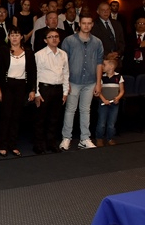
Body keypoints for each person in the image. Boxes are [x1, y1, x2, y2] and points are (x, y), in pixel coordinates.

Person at [60, 13, 104, 150]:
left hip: (90, 81)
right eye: (84, 23)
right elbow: (63, 63)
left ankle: (84, 138)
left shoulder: (97, 42)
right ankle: (66, 138)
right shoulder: (69, 41)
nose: (86, 26)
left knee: (86, 110)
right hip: (73, 81)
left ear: (92, 24)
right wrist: (66, 82)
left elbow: (99, 63)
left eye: (89, 23)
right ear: (79, 24)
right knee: (70, 110)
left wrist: (98, 83)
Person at [0, 26, 36, 157]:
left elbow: (33, 72)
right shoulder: (3, 51)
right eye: (12, 35)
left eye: (17, 35)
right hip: (6, 85)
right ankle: (2, 145)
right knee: (5, 116)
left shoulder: (28, 52)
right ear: (8, 37)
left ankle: (13, 144)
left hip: (21, 86)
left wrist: (32, 90)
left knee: (16, 116)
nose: (15, 37)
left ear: (21, 37)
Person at [33, 29, 69, 154]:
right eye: (50, 37)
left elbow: (66, 73)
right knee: (40, 119)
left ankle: (51, 143)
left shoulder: (63, 54)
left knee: (54, 118)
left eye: (56, 36)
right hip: (44, 88)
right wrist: (37, 93)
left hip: (58, 88)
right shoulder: (39, 54)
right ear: (45, 40)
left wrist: (65, 92)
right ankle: (38, 145)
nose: (54, 39)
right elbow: (35, 75)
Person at [95, 57, 124, 147]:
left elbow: (122, 91)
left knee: (111, 123)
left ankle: (110, 138)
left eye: (104, 65)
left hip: (114, 104)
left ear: (111, 66)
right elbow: (99, 91)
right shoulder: (102, 77)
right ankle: (99, 138)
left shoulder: (119, 77)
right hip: (103, 103)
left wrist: (118, 98)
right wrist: (104, 100)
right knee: (101, 123)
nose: (102, 66)